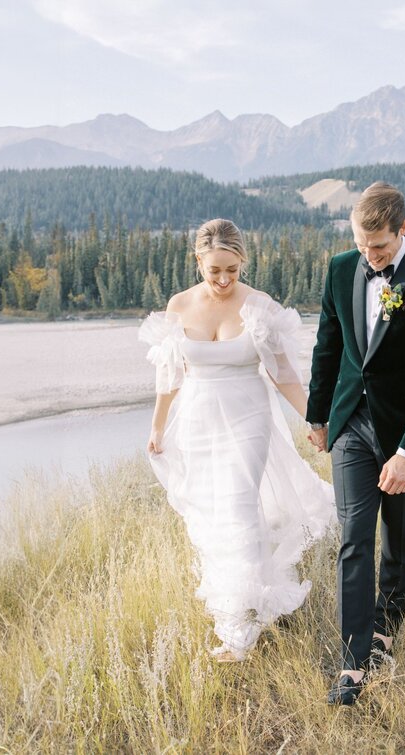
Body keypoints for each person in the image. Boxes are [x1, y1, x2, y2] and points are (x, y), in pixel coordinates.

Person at [139, 218, 335, 663]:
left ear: (242, 260)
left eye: (232, 269)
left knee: (240, 506)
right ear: (198, 263)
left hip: (248, 419)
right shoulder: (179, 305)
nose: (225, 280)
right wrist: (156, 427)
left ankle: (237, 635)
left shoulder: (259, 306)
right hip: (198, 422)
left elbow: (283, 375)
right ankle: (251, 603)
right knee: (214, 516)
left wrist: (315, 420)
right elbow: (168, 377)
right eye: (215, 272)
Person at [306, 182, 405, 705]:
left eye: (378, 246)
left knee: (398, 536)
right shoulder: (338, 269)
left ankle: (384, 630)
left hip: (403, 432)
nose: (368, 255)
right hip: (351, 421)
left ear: (404, 229)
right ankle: (354, 662)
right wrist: (318, 413)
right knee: (354, 535)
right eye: (361, 244)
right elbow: (329, 342)